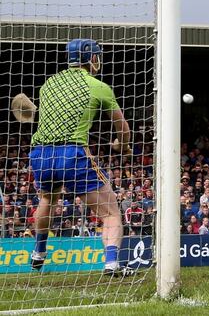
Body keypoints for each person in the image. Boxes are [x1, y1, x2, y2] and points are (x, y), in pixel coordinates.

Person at [28, 39, 134, 276]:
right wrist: (122, 146)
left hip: (40, 153)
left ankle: (38, 253)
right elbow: (123, 128)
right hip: (72, 153)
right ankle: (111, 263)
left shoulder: (48, 84)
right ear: (92, 58)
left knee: (48, 199)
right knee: (111, 212)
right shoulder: (98, 86)